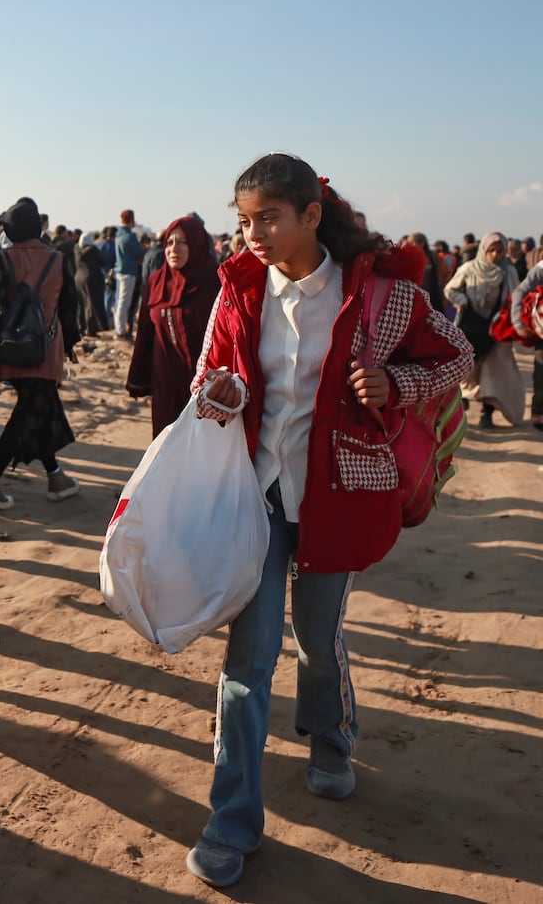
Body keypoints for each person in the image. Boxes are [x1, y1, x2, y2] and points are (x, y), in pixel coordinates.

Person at [184, 154, 472, 888]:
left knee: (317, 636)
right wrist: (219, 391)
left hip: (340, 493)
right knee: (247, 663)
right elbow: (211, 372)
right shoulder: (238, 288)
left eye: (268, 218)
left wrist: (395, 382)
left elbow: (456, 356)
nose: (252, 233)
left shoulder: (383, 293)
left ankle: (332, 739)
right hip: (259, 495)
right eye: (243, 219)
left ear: (312, 216)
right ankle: (231, 819)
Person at [0, 197, 80, 507]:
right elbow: (70, 309)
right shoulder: (59, 260)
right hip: (45, 348)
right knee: (28, 412)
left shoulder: (1, 259)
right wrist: (70, 346)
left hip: (10, 346)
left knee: (34, 408)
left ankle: (56, 477)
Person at [125, 215, 219, 437]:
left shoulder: (215, 281)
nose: (174, 248)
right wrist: (137, 379)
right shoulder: (156, 281)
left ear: (196, 244)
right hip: (165, 379)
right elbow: (145, 333)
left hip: (205, 385)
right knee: (166, 444)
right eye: (169, 242)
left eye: (183, 242)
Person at [445, 232, 523, 429]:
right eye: (491, 250)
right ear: (484, 251)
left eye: (500, 250)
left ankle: (486, 413)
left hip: (497, 330)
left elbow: (515, 298)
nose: (495, 254)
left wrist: (505, 317)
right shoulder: (469, 269)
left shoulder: (509, 272)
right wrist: (461, 301)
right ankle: (460, 402)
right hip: (470, 327)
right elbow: (450, 289)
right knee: (466, 368)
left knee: (494, 371)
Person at [509, 256, 543, 431]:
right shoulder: (540, 270)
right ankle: (538, 411)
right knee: (541, 376)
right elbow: (519, 293)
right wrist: (518, 323)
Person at [112, 209, 145, 340]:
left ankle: (118, 328)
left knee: (119, 301)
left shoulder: (118, 235)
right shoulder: (129, 236)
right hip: (128, 273)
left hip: (119, 271)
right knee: (124, 303)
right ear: (131, 220)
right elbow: (140, 253)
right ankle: (121, 331)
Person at [73, 231, 109, 337]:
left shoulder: (76, 249)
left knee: (82, 304)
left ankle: (81, 327)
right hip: (90, 278)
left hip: (78, 277)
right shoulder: (92, 250)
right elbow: (103, 261)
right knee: (93, 304)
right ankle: (93, 328)